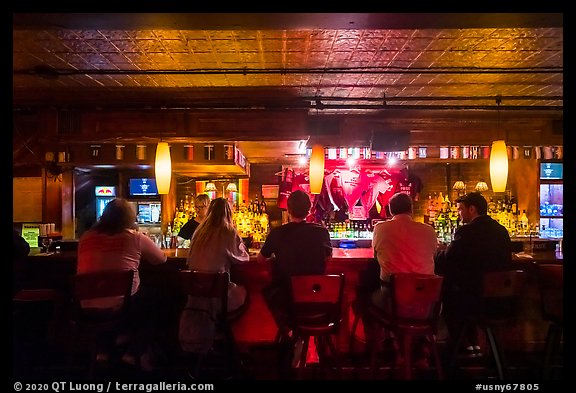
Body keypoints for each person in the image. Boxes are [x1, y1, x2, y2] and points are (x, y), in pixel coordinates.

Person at [77, 198, 168, 367]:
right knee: (158, 298)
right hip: (122, 306)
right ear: (129, 218)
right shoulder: (134, 238)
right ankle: (133, 351)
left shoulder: (86, 237)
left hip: (85, 306)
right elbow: (161, 260)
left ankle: (105, 348)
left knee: (113, 301)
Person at [434, 191, 512, 357]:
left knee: (447, 294)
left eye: (461, 209)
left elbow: (449, 258)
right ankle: (475, 346)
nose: (459, 213)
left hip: (475, 301)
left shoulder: (466, 231)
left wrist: (439, 251)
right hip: (503, 301)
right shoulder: (501, 231)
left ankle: (460, 348)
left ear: (472, 209)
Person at [368, 192, 438, 367]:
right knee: (426, 303)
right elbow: (434, 254)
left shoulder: (380, 228)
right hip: (427, 305)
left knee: (372, 300)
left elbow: (376, 256)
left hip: (393, 301)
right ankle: (422, 347)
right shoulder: (428, 230)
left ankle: (393, 345)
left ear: (390, 211)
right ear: (411, 210)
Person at [179, 197, 250, 353]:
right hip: (218, 299)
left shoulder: (199, 231)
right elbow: (243, 259)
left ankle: (214, 338)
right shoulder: (228, 231)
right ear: (229, 213)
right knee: (248, 296)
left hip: (195, 298)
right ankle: (232, 346)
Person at [257, 189, 333, 331]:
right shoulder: (322, 231)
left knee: (267, 292)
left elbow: (260, 260)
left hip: (286, 299)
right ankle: (297, 336)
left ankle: (288, 333)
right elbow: (329, 258)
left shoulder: (277, 233)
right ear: (309, 209)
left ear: (288, 209)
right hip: (316, 298)